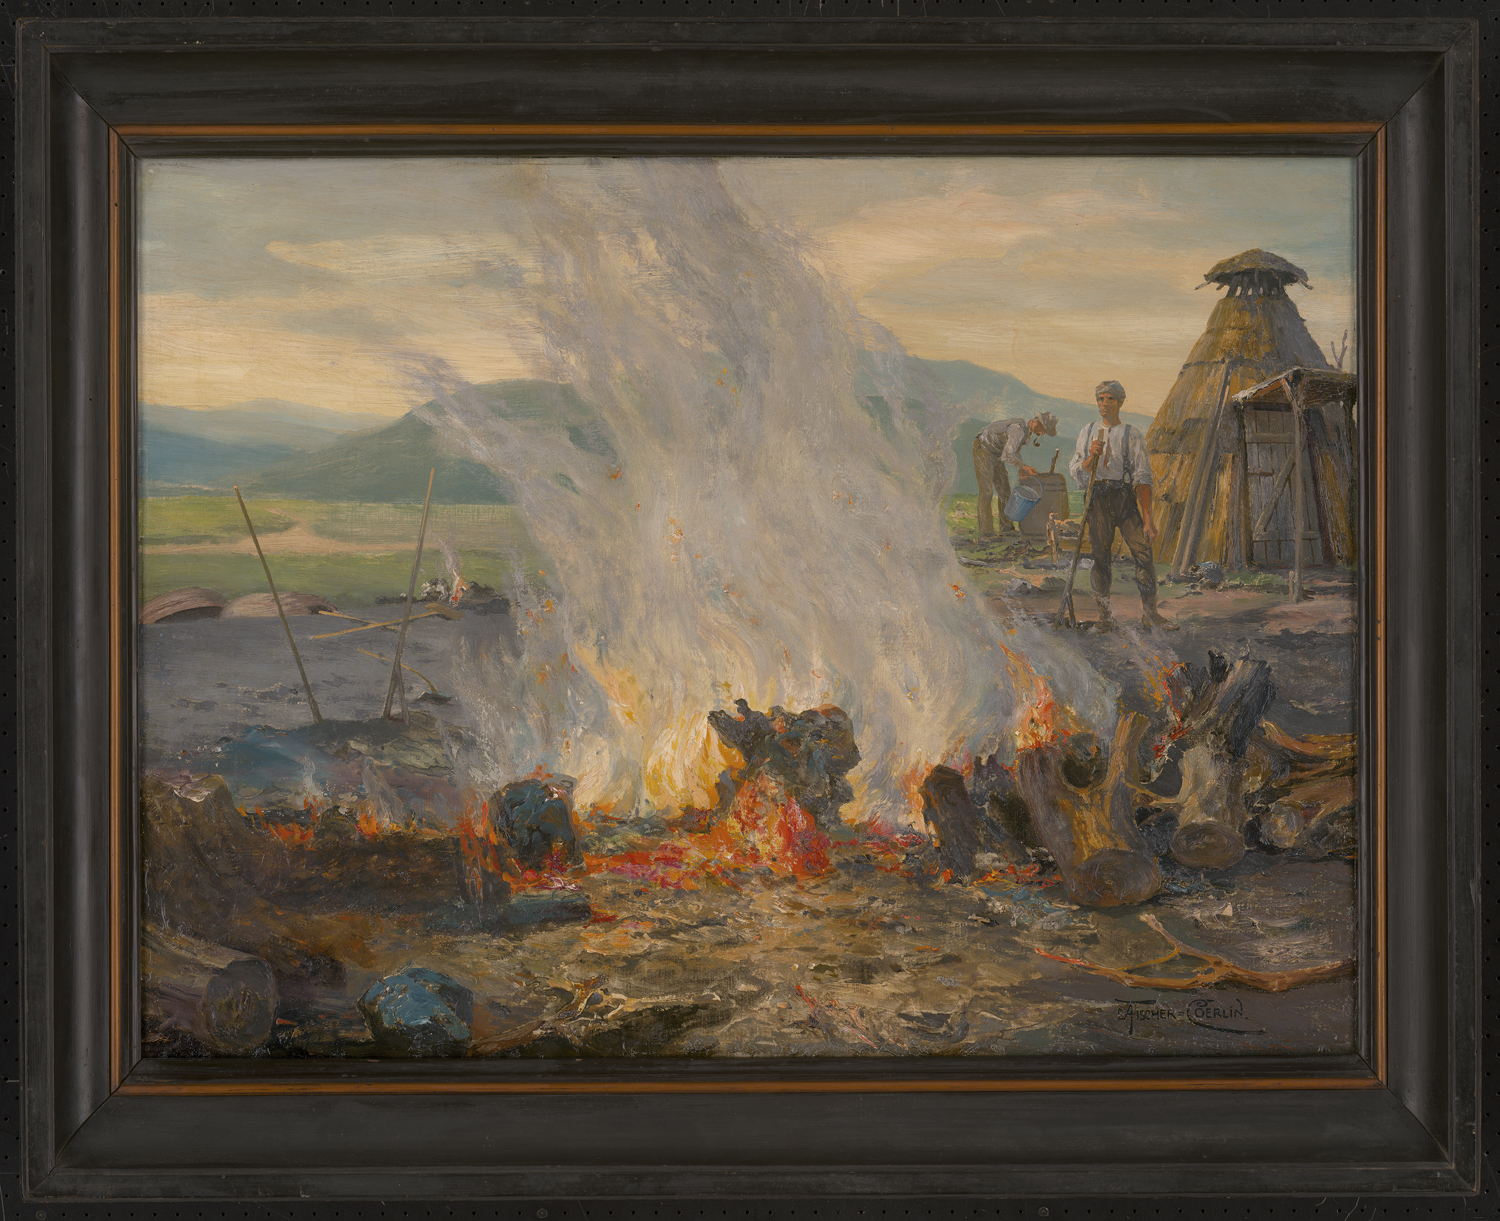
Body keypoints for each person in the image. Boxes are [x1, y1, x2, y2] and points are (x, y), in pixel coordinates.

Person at [1068, 380, 1177, 631]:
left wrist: (1148, 520)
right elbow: (1077, 471)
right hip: (1097, 497)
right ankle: (1105, 618)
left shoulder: (1131, 434)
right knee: (1100, 557)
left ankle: (1150, 614)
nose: (1104, 404)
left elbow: (1142, 478)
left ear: (1120, 403)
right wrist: (1090, 457)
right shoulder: (1087, 431)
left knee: (1143, 552)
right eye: (1101, 399)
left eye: (1110, 399)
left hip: (1124, 497)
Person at [972, 411, 1059, 536]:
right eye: (1041, 428)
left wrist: (1021, 469)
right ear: (1035, 420)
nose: (1041, 433)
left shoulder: (1026, 432)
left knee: (1004, 490)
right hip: (984, 449)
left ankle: (1006, 527)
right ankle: (986, 533)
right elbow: (1007, 455)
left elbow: (1014, 452)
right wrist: (1024, 467)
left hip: (997, 453)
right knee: (986, 492)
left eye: (1044, 431)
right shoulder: (1018, 429)